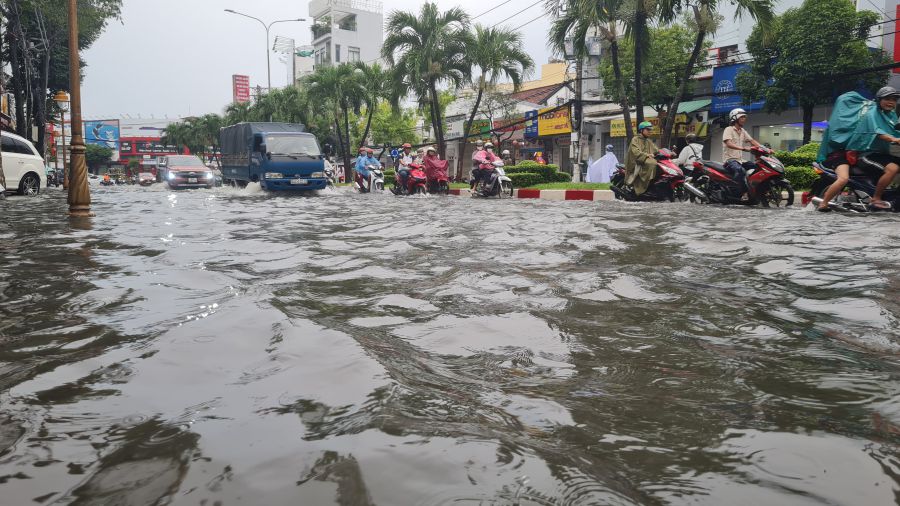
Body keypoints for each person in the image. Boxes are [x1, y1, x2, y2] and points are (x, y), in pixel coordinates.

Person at [841, 86, 900, 210]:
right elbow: (877, 131)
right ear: (879, 100)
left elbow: (896, 129)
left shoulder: (891, 115)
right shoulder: (872, 113)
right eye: (887, 99)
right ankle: (876, 198)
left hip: (881, 154)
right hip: (866, 154)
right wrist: (894, 139)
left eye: (894, 99)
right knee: (893, 169)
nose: (891, 102)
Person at [723, 108, 762, 198]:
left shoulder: (742, 131)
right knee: (740, 171)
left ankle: (751, 189)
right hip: (730, 160)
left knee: (757, 167)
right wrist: (743, 148)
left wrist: (765, 149)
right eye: (742, 117)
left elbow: (752, 141)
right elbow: (728, 143)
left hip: (740, 160)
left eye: (744, 117)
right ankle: (735, 193)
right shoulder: (728, 129)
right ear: (735, 118)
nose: (744, 119)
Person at [624, 122, 658, 195]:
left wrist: (667, 152)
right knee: (652, 163)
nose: (650, 131)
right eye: (648, 129)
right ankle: (641, 188)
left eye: (650, 130)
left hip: (645, 161)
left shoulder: (648, 141)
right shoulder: (635, 139)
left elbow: (656, 150)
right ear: (641, 130)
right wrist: (646, 155)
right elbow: (636, 152)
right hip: (637, 162)